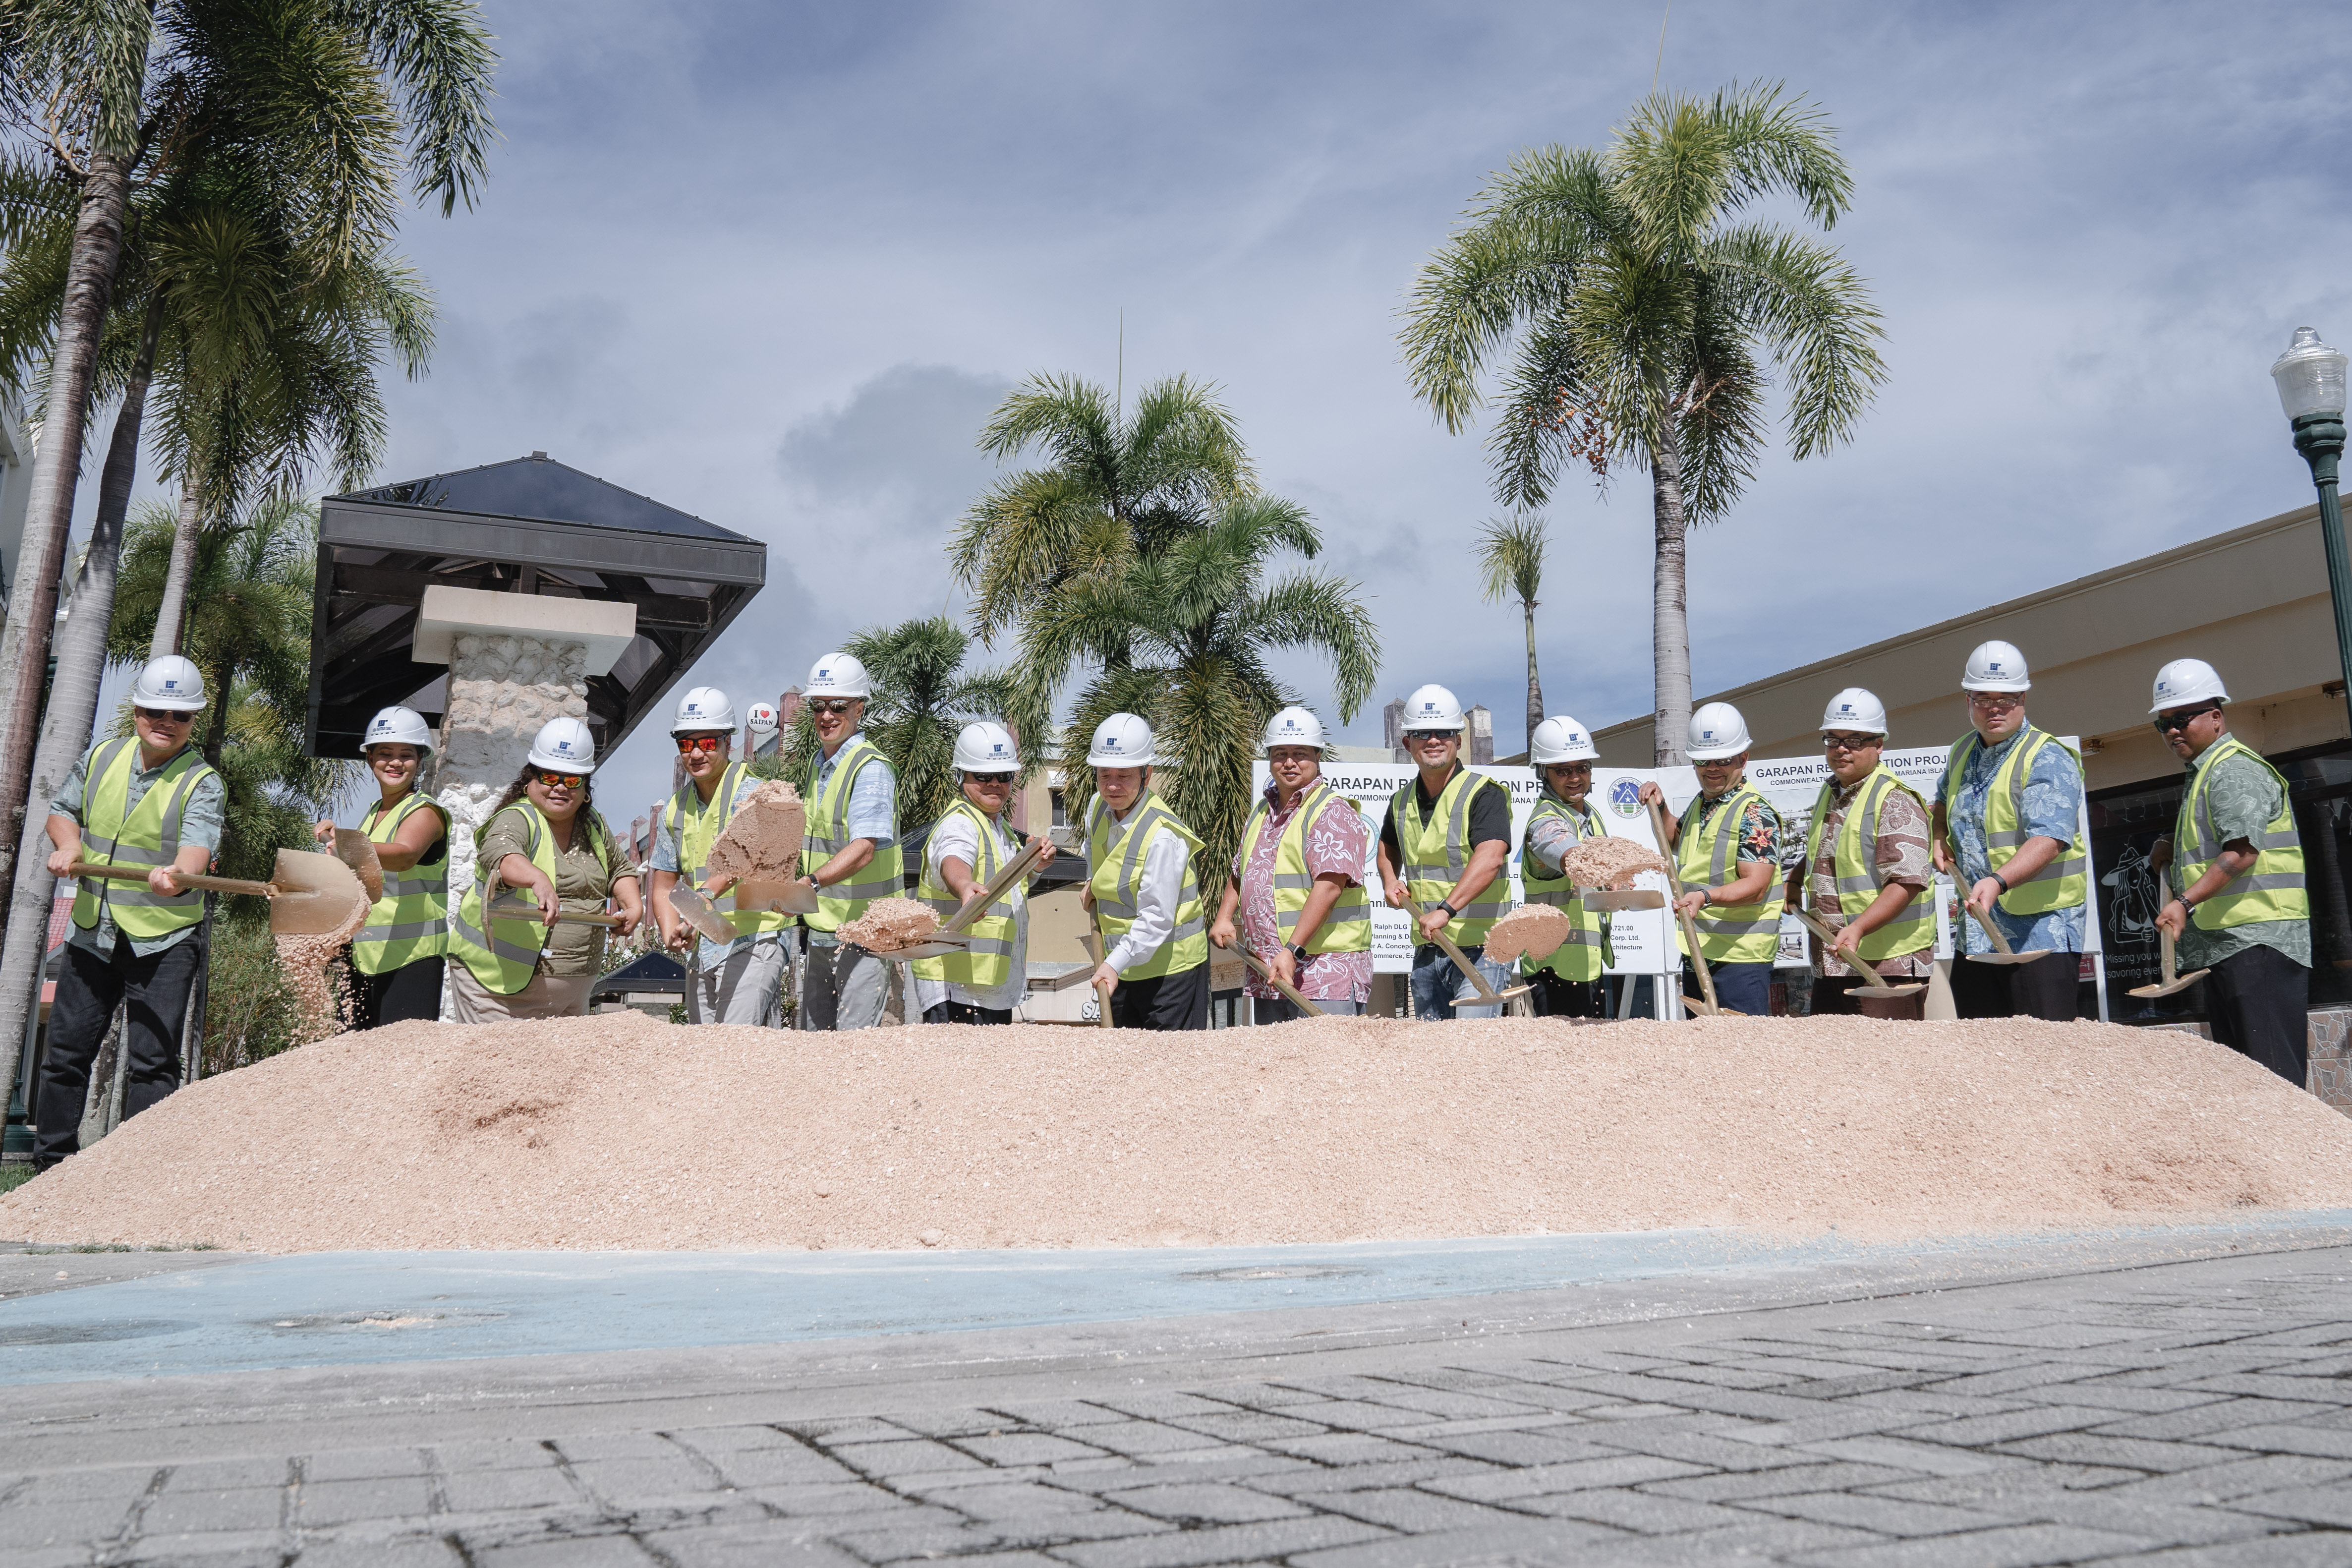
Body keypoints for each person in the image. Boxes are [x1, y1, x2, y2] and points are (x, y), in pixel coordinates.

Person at [33, 655, 222, 1168]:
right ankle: (51, 1167)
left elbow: (196, 850)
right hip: (94, 931)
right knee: (66, 1057)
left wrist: (177, 873)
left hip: (163, 943)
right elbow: (63, 812)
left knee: (153, 1064)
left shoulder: (202, 782)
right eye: (155, 709)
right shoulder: (101, 757)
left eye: (179, 715)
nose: (166, 721)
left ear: (193, 720)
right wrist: (69, 846)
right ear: (137, 708)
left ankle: (135, 1178)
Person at [2147, 659, 2311, 1086]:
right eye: (2163, 724)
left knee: (2272, 1084)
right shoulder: (2205, 774)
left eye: (2182, 718)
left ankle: (2291, 1154)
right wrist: (2170, 843)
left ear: (2216, 718)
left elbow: (2240, 853)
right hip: (2231, 946)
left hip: (2258, 944)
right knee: (2248, 1088)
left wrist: (2183, 901)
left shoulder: (2232, 770)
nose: (2172, 731)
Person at [1930, 639, 2088, 1022]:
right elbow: (1938, 803)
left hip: (2041, 935)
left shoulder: (2047, 756)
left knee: (2043, 1055)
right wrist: (1938, 837)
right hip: (1979, 934)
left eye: (2007, 698)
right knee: (1985, 1056)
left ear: (2024, 698)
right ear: (1966, 700)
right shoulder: (1961, 751)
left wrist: (1998, 881)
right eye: (1983, 698)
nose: (1994, 708)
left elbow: (2048, 839)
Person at [446, 716, 642, 1021]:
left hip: (574, 987)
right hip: (498, 988)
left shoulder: (593, 825)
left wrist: (633, 906)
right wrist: (537, 878)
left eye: (573, 780)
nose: (561, 787)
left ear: (586, 786)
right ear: (530, 780)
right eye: (550, 777)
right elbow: (501, 854)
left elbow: (620, 869)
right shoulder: (517, 817)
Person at [1209, 706, 1373, 1020]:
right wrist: (1225, 916)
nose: (1289, 762)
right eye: (1280, 753)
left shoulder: (1332, 812)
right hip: (1269, 971)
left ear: (1317, 757)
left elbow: (1329, 889)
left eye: (1300, 753)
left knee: (1326, 1065)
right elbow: (1239, 872)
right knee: (1280, 1068)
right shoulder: (1261, 812)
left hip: (1323, 972)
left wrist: (1292, 950)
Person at [649, 686, 792, 1027]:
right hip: (704, 947)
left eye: (707, 742)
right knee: (707, 1056)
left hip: (755, 941)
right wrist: (671, 929)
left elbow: (740, 860)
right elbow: (662, 882)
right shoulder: (675, 808)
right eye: (686, 743)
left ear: (728, 742)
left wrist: (701, 902)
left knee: (735, 1046)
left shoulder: (755, 794)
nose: (696, 752)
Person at [1638, 702, 1788, 1018]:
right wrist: (1662, 809)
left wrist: (1705, 897)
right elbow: (1674, 841)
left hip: (1741, 961)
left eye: (1723, 760)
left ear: (1743, 758)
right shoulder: (1702, 804)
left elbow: (1757, 886)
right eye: (1703, 760)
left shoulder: (1755, 813)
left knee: (1741, 1056)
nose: (1712, 768)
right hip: (1699, 952)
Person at [1790, 688, 1932, 1020]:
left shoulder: (1894, 800)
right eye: (1832, 739)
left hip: (1887, 969)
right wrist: (1795, 880)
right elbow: (1824, 853)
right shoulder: (1830, 792)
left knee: (1889, 1068)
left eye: (1855, 740)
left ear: (1879, 744)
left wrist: (1858, 929)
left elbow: (1906, 882)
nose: (1841, 748)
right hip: (1835, 964)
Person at [1378, 684, 1515, 1019]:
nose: (1434, 740)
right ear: (1407, 742)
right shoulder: (1400, 802)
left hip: (1484, 947)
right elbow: (1386, 846)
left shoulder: (1484, 794)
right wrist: (1389, 878)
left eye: (1444, 732)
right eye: (1422, 732)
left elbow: (1490, 857)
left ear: (1459, 740)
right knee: (1432, 1057)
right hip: (1429, 948)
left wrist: (1445, 910)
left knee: (1470, 1048)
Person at [912, 721, 1055, 1024]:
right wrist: (964, 887)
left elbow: (1004, 888)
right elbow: (952, 857)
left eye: (1003, 776)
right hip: (957, 989)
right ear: (960, 777)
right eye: (983, 775)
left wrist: (1033, 867)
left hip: (987, 986)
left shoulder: (1000, 829)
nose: (994, 783)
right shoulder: (960, 823)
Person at [318, 705, 450, 1030]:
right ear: (369, 758)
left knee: (400, 1065)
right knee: (356, 1062)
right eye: (385, 753)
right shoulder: (374, 813)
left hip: (413, 958)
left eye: (406, 754)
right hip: (366, 954)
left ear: (420, 760)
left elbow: (404, 855)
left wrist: (343, 842)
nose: (394, 761)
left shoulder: (427, 812)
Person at [791, 652, 903, 1031]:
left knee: (853, 1051)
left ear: (859, 709)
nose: (826, 715)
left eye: (837, 705)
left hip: (866, 933)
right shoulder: (817, 766)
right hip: (824, 929)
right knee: (816, 1047)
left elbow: (864, 849)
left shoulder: (870, 768)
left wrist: (809, 884)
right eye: (818, 706)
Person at [1081, 713, 1210, 1030]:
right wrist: (1091, 880)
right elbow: (1092, 850)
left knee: (1169, 1068)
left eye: (1124, 775)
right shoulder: (1098, 806)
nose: (1112, 785)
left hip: (1172, 975)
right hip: (1124, 968)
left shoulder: (1164, 836)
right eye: (1104, 773)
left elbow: (1156, 917)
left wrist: (1112, 965)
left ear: (1147, 774)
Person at [1517, 714, 1611, 1019]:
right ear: (1544, 772)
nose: (1575, 777)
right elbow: (1565, 851)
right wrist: (1606, 871)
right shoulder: (1546, 820)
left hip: (1586, 964)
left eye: (1582, 768)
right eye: (1563, 770)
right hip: (1553, 967)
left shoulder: (1590, 816)